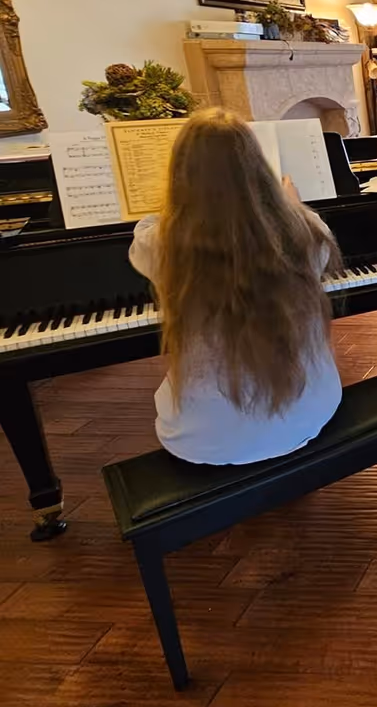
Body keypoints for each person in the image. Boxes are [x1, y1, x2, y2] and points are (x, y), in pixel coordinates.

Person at [128, 107, 343, 464]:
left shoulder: (158, 242)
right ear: (258, 167)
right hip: (311, 410)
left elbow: (150, 236)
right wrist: (293, 205)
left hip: (202, 440)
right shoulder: (308, 229)